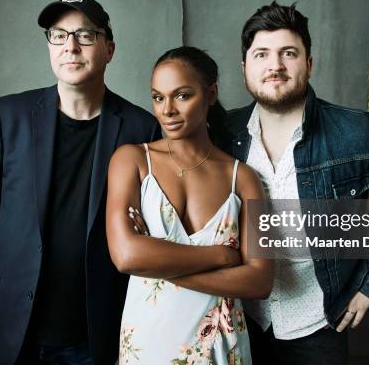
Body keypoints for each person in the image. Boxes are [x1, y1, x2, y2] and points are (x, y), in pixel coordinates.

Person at [224, 2, 369, 364]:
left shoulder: (362, 132)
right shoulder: (222, 133)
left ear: (309, 64)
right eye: (261, 54)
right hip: (240, 320)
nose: (275, 65)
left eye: (289, 53)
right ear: (245, 68)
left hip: (318, 325)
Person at [0, 0, 160, 365]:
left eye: (85, 35)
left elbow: (147, 227)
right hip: (14, 322)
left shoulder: (143, 128)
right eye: (58, 35)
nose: (70, 47)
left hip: (97, 329)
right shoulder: (6, 116)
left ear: (109, 48)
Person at [106, 46, 273, 364]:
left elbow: (259, 280)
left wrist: (158, 264)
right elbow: (127, 255)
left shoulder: (243, 178)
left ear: (210, 94)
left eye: (182, 95)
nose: (167, 109)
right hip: (149, 342)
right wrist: (222, 256)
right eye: (158, 97)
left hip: (220, 347)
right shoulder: (132, 161)